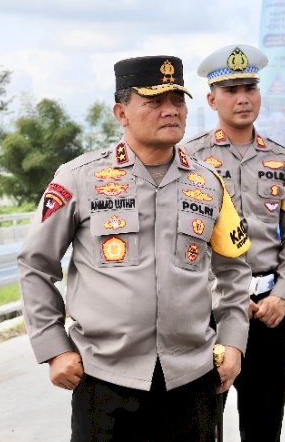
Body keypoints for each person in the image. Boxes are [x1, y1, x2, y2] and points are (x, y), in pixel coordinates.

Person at [17, 55, 253, 441]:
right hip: (104, 378)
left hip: (190, 379)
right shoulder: (80, 178)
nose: (170, 111)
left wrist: (233, 341)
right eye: (154, 101)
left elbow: (234, 269)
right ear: (121, 112)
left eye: (177, 101)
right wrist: (54, 347)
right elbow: (35, 263)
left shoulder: (209, 182)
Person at [184, 44, 285, 442]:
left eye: (249, 89)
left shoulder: (280, 158)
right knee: (204, 424)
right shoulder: (189, 159)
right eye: (231, 90)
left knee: (264, 422)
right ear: (211, 99)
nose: (243, 99)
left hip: (267, 312)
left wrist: (284, 294)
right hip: (210, 314)